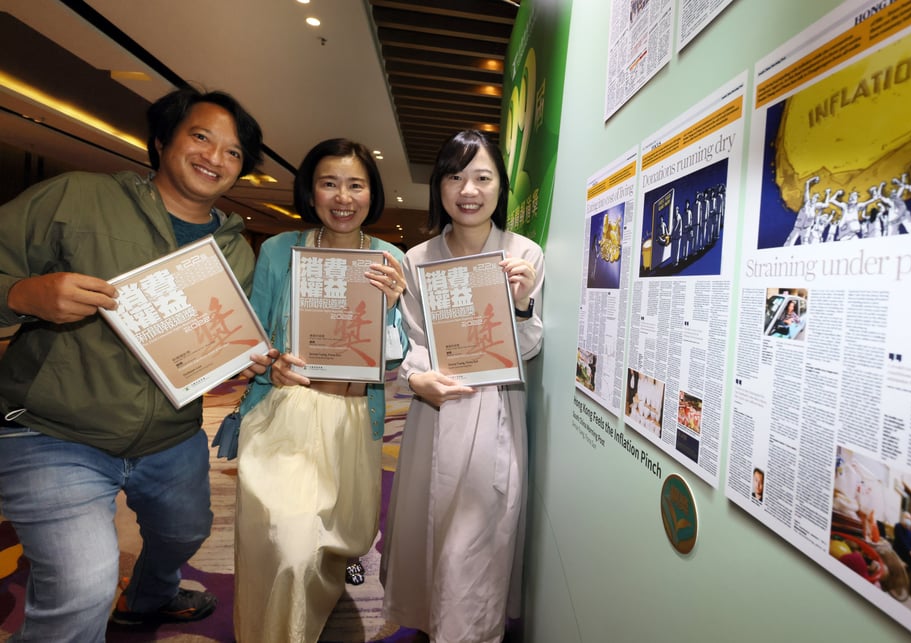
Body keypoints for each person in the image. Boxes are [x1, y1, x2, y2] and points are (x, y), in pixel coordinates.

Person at [0, 86, 273, 642]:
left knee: (186, 531)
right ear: (161, 141)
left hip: (170, 436)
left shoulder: (236, 250)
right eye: (201, 136)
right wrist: (23, 296)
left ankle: (151, 597)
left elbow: (212, 347)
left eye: (233, 152)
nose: (214, 157)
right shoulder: (76, 197)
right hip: (52, 430)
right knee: (82, 584)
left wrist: (236, 364)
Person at [232, 138, 409, 642]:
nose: (342, 196)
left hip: (356, 419)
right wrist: (271, 366)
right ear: (311, 192)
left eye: (355, 184)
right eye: (329, 183)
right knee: (290, 546)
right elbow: (252, 340)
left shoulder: (391, 258)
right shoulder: (279, 250)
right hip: (287, 414)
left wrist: (392, 308)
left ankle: (330, 582)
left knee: (344, 535)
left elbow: (398, 358)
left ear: (371, 193)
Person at [381, 130, 544, 643]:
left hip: (494, 410)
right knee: (432, 525)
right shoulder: (419, 257)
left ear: (500, 188)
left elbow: (531, 346)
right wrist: (417, 376)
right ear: (439, 186)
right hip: (437, 411)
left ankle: (471, 630)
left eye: (482, 177)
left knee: (478, 536)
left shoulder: (524, 254)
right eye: (455, 176)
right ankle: (439, 623)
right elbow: (410, 337)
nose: (468, 189)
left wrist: (520, 303)